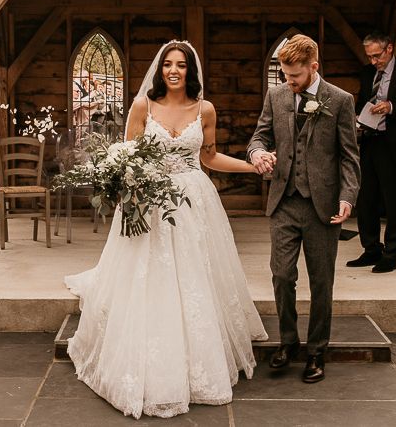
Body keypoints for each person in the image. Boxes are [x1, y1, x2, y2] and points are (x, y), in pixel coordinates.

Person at [65, 40, 268, 419]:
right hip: (150, 200)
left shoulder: (205, 109)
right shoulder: (143, 106)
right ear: (160, 71)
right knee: (151, 276)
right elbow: (125, 157)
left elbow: (208, 157)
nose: (174, 71)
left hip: (194, 203)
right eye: (168, 65)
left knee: (194, 278)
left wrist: (250, 167)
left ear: (191, 71)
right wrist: (133, 190)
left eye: (182, 65)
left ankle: (197, 360)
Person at [247, 34, 360, 384]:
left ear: (314, 66)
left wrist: (347, 197)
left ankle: (316, 351)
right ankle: (288, 341)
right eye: (284, 74)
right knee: (282, 276)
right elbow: (259, 136)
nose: (288, 82)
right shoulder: (276, 95)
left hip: (322, 206)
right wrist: (257, 155)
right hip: (283, 201)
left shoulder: (340, 100)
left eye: (295, 76)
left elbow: (349, 156)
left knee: (321, 281)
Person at [347, 31, 396, 273]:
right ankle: (371, 249)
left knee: (393, 203)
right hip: (370, 142)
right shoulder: (367, 72)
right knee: (366, 199)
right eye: (370, 57)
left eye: (377, 56)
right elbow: (362, 102)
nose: (373, 61)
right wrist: (357, 117)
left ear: (389, 49)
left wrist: (392, 107)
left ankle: (391, 255)